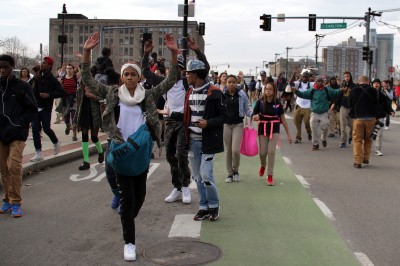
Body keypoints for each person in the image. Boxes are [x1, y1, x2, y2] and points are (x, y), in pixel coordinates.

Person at [81, 32, 178, 261]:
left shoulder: (149, 95)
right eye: (127, 74)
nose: (131, 77)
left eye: (134, 74)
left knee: (140, 196)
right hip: (120, 149)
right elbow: (87, 79)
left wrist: (174, 53)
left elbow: (171, 80)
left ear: (138, 77)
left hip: (142, 153)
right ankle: (129, 242)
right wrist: (87, 52)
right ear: (122, 77)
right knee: (128, 197)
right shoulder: (113, 93)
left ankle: (127, 217)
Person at [142, 37, 209, 205]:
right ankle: (177, 187)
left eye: (180, 69)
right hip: (170, 121)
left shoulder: (188, 83)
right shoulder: (163, 82)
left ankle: (186, 186)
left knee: (181, 154)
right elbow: (146, 72)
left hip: (184, 122)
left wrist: (197, 51)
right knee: (170, 155)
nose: (177, 71)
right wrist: (146, 53)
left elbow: (204, 69)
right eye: (174, 68)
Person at [183, 59, 227, 222]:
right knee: (197, 177)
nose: (186, 76)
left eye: (188, 73)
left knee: (206, 175)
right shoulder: (189, 92)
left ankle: (214, 205)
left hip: (208, 141)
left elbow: (224, 116)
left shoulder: (214, 92)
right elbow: (187, 115)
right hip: (193, 141)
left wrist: (208, 123)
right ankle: (203, 207)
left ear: (195, 74)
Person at [0, 54, 37, 218]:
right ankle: (7, 199)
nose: (2, 70)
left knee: (13, 166)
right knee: (3, 169)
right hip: (1, 134)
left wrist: (19, 123)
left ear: (12, 67)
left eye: (5, 67)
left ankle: (16, 202)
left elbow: (32, 109)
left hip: (17, 133)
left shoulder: (22, 86)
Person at [349, 76, 394, 168]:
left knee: (357, 140)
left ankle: (358, 162)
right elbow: (385, 101)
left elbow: (350, 103)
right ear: (368, 82)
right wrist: (390, 110)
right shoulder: (375, 91)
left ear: (359, 82)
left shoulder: (353, 91)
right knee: (368, 139)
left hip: (359, 119)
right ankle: (366, 158)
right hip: (372, 119)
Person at [252, 82, 292, 185]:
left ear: (274, 91)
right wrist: (255, 117)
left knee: (271, 152)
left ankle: (270, 175)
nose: (268, 91)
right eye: (266, 89)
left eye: (270, 89)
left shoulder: (277, 103)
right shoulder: (260, 102)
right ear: (264, 91)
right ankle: (263, 165)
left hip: (274, 129)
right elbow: (254, 114)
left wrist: (289, 135)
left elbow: (283, 119)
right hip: (263, 129)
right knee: (262, 153)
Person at [30, 57, 65, 162]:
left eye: (44, 63)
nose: (42, 64)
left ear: (49, 66)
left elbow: (61, 92)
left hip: (45, 107)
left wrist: (49, 95)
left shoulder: (52, 79)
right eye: (42, 62)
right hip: (35, 106)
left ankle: (56, 142)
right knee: (35, 129)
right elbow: (27, 87)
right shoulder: (36, 77)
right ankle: (38, 152)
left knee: (46, 128)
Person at [293, 78, 342, 150]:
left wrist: (341, 90)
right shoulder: (312, 90)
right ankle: (315, 144)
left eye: (321, 81)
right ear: (315, 83)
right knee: (313, 128)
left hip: (324, 113)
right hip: (314, 113)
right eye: (318, 81)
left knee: (325, 126)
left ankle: (323, 138)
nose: (320, 83)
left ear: (323, 82)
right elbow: (303, 94)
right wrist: (296, 91)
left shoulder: (326, 89)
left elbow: (335, 92)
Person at [223, 75, 252, 183]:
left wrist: (253, 115)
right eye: (229, 82)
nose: (231, 84)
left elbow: (247, 109)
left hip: (238, 125)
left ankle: (236, 170)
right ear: (226, 83)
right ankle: (229, 174)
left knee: (235, 150)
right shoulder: (222, 95)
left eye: (233, 82)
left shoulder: (242, 95)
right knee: (228, 150)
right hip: (226, 124)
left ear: (237, 83)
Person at [75, 81, 104, 170]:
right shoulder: (80, 90)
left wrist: (92, 96)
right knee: (84, 136)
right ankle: (86, 161)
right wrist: (75, 119)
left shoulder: (96, 87)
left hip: (94, 115)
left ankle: (100, 151)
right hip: (84, 114)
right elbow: (78, 104)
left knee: (94, 137)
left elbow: (103, 99)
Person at [289, 69, 313, 144]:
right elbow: (290, 83)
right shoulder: (298, 84)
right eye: (303, 77)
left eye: (306, 77)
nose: (304, 79)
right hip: (299, 105)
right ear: (301, 77)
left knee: (307, 122)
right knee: (296, 121)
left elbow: (320, 84)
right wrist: (294, 74)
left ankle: (309, 133)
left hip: (308, 106)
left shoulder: (311, 85)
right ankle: (298, 137)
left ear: (308, 78)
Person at [372, 79, 394, 156]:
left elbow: (386, 104)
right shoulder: (368, 93)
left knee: (379, 133)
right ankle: (366, 148)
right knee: (369, 133)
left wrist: (391, 111)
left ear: (380, 85)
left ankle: (377, 149)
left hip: (380, 115)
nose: (376, 84)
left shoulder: (382, 95)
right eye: (374, 83)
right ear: (372, 84)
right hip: (370, 116)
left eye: (377, 83)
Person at [59, 63, 79, 141]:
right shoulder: (63, 78)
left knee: (74, 117)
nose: (69, 70)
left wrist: (79, 66)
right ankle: (67, 125)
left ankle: (74, 134)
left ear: (73, 70)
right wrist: (63, 68)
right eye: (67, 68)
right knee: (66, 117)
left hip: (73, 99)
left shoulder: (75, 77)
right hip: (65, 99)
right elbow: (60, 78)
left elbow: (82, 72)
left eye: (70, 68)